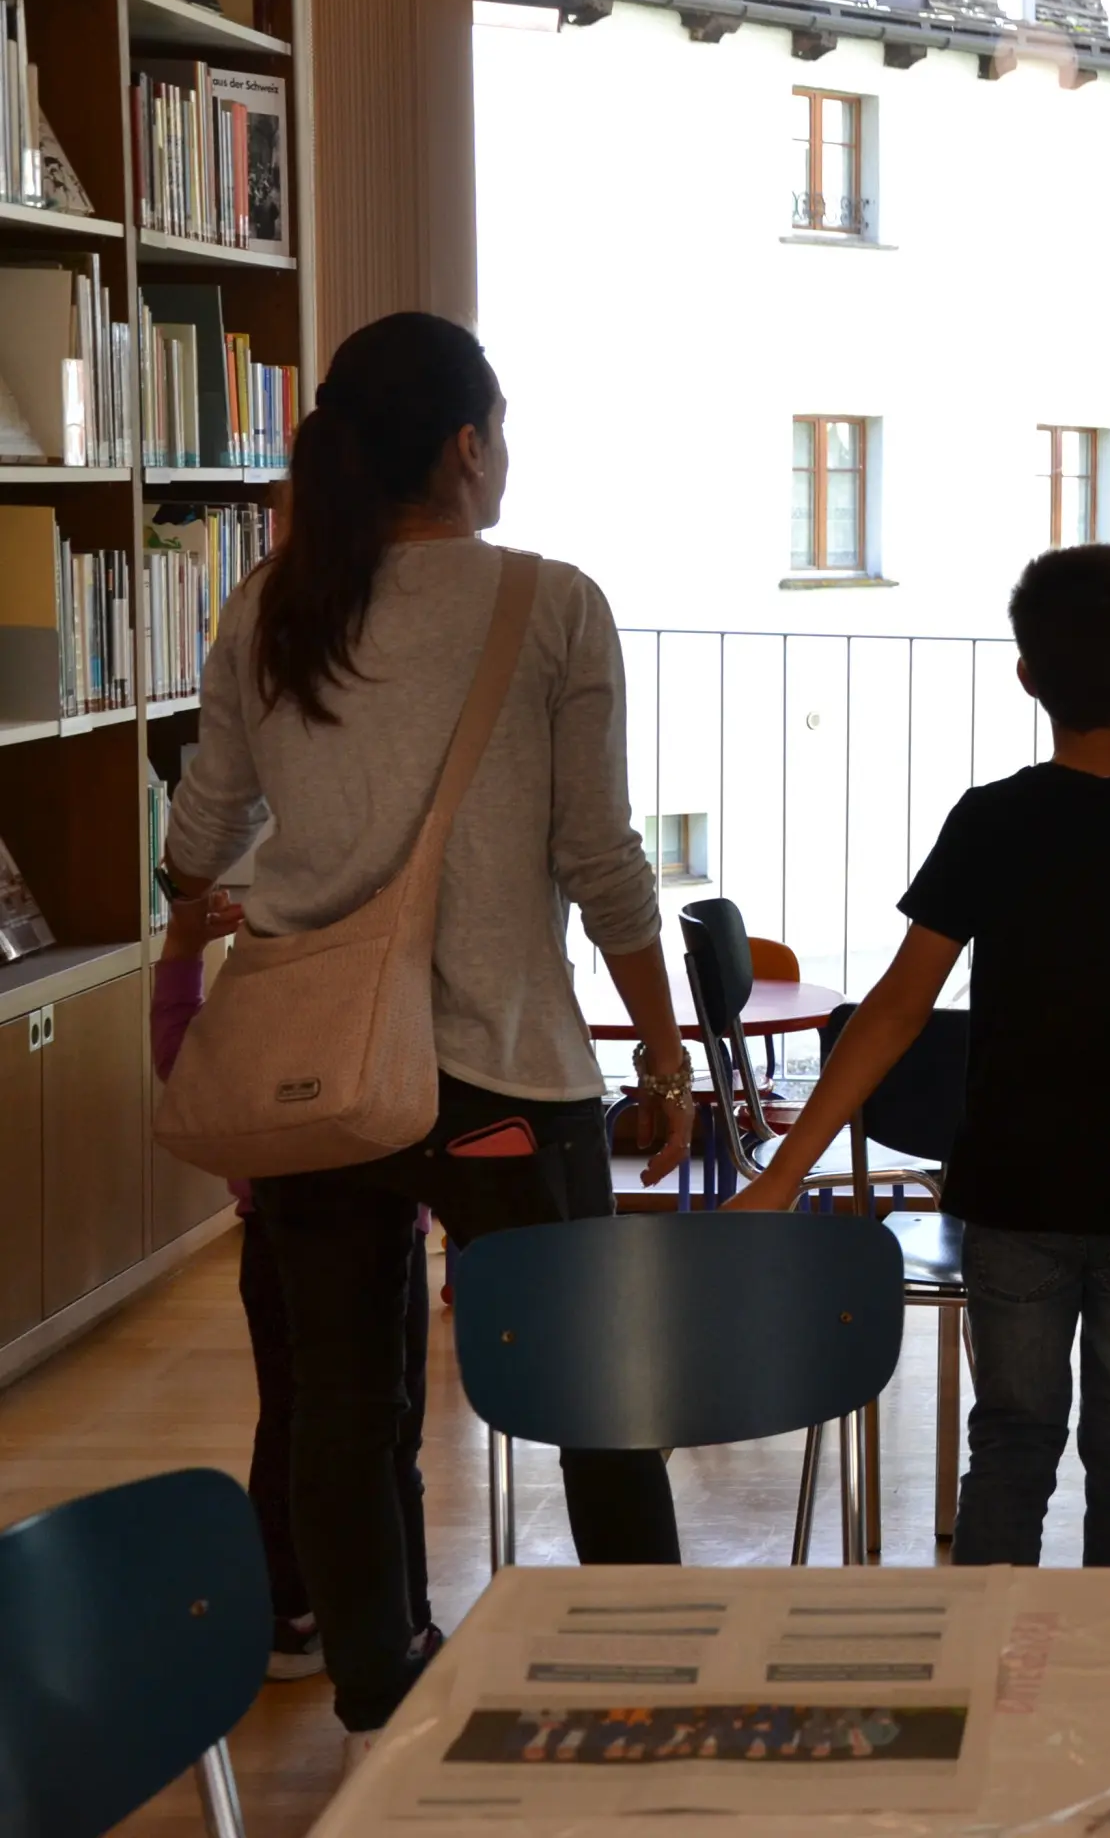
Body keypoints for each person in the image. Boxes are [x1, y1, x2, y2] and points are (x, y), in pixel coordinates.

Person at [166, 312, 693, 1740]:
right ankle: (647, 1669)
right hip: (503, 1070)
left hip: (315, 1073)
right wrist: (660, 1042)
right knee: (595, 1384)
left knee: (342, 1398)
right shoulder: (550, 605)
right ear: (466, 447)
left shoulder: (269, 606)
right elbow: (601, 861)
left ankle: (376, 1690)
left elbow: (201, 837)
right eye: (500, 430)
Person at [731, 544, 1110, 1566]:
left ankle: (980, 1664)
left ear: (1026, 680)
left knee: (1010, 1436)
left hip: (1010, 1201)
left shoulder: (990, 819)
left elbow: (893, 1009)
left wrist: (787, 1169)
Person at [149, 888, 435, 1684]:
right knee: (386, 1434)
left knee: (296, 1422)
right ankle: (403, 1624)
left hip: (272, 1242)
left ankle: (291, 1608)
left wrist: (179, 950)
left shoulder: (254, 1012)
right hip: (378, 1242)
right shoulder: (367, 1004)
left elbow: (178, 1061)